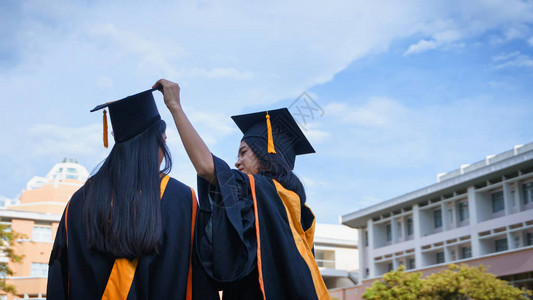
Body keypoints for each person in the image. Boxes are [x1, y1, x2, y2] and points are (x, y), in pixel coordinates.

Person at [154, 79, 330, 299]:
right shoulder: (296, 209)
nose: (237, 162)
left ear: (268, 153)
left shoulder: (265, 191)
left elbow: (207, 167)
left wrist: (175, 107)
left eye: (243, 152)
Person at [47, 89, 197, 299]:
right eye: (164, 139)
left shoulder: (79, 201)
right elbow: (195, 277)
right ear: (155, 143)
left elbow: (59, 279)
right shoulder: (179, 198)